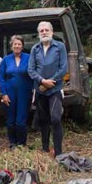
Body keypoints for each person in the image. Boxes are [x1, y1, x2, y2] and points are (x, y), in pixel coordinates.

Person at [28, 21, 68, 157]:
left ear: (52, 32)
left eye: (46, 30)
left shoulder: (60, 47)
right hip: (39, 89)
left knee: (55, 118)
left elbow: (63, 68)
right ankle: (45, 148)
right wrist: (42, 81)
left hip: (54, 89)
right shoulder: (35, 49)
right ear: (39, 33)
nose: (44, 33)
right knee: (43, 119)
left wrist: (51, 82)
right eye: (41, 31)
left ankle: (59, 152)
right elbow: (31, 69)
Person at [0, 35, 33, 148]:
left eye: (19, 44)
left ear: (22, 46)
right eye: (15, 44)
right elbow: (1, 78)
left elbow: (34, 74)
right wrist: (4, 94)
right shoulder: (6, 60)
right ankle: (12, 143)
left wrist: (34, 90)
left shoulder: (29, 58)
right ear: (11, 46)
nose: (17, 46)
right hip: (10, 93)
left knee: (21, 120)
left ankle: (22, 143)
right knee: (10, 120)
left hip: (24, 92)